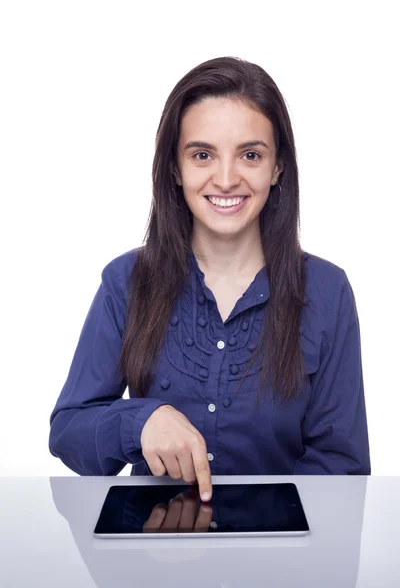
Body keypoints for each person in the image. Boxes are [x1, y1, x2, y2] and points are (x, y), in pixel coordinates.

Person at [49, 56, 371, 505]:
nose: (225, 179)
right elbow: (68, 432)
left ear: (277, 167)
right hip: (156, 563)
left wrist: (261, 547)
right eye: (202, 155)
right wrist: (142, 421)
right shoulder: (126, 281)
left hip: (279, 568)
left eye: (250, 155)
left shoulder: (327, 291)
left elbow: (341, 464)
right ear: (175, 168)